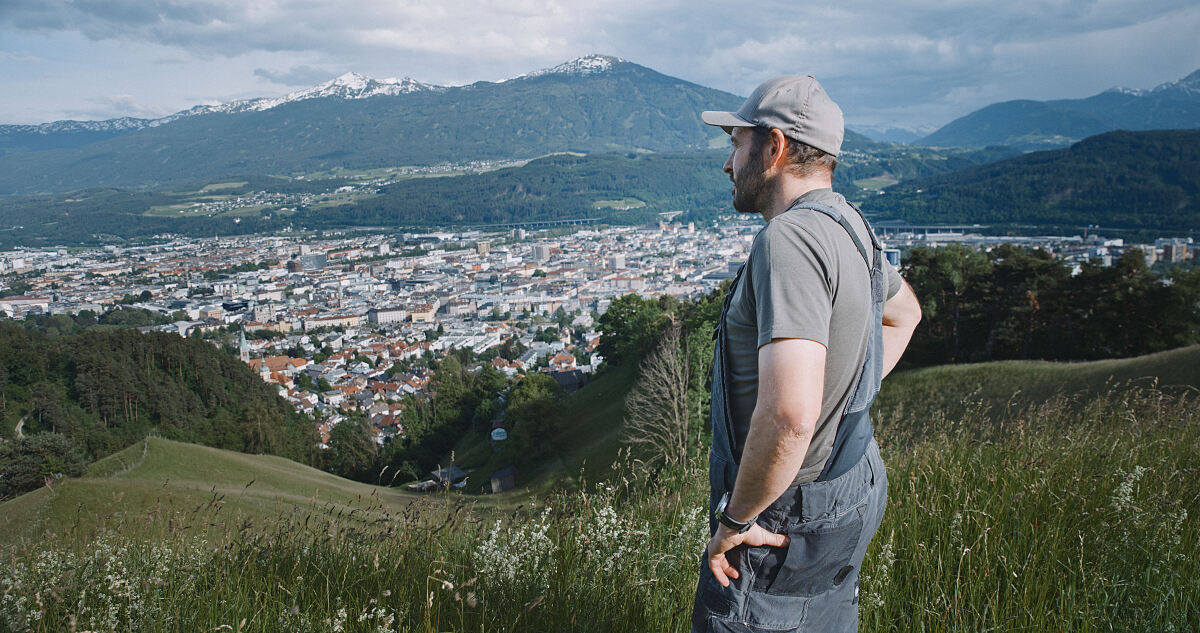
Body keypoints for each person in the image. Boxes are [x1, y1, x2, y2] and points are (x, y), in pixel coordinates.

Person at [691, 75, 922, 632]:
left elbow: (790, 415)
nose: (728, 164)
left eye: (736, 144)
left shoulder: (788, 240)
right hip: (850, 480)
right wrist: (840, 402)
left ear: (774, 147)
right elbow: (905, 313)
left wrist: (736, 517)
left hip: (784, 506)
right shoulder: (850, 224)